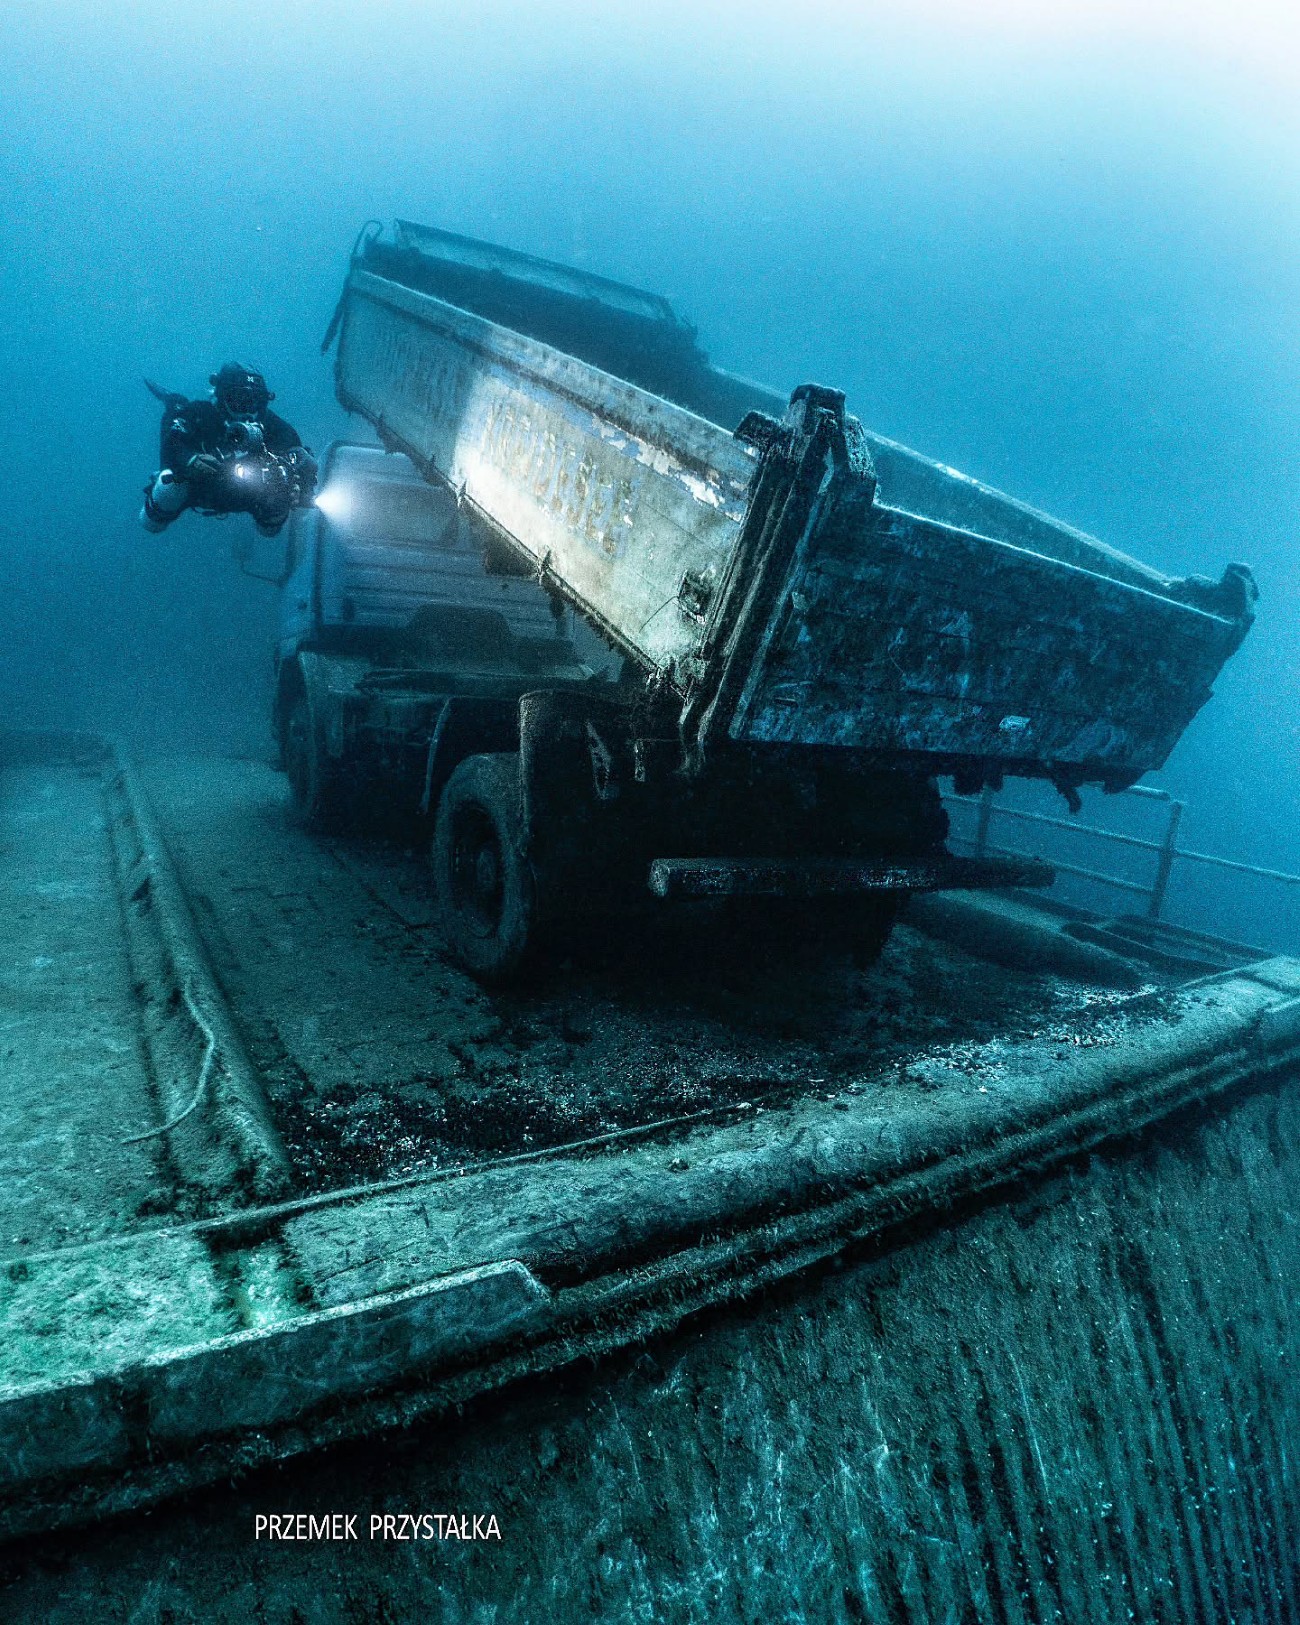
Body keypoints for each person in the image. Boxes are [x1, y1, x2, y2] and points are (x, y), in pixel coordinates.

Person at [140, 363, 317, 537]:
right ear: (222, 396)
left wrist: (296, 483)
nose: (248, 408)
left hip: (250, 494)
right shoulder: (199, 414)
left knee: (274, 517)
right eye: (239, 399)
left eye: (255, 400)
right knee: (169, 486)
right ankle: (157, 511)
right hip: (201, 489)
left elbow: (300, 458)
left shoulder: (277, 429)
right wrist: (191, 460)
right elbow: (172, 443)